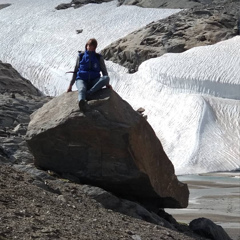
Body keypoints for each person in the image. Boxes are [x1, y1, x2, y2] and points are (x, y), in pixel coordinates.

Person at [67, 38, 111, 111]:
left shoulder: (98, 57)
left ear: (95, 47)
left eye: (92, 46)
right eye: (88, 45)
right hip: (81, 79)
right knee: (81, 89)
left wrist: (107, 84)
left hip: (94, 81)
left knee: (106, 78)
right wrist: (70, 85)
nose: (89, 47)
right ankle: (82, 102)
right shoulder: (81, 56)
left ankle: (89, 93)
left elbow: (104, 71)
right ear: (86, 45)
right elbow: (75, 70)